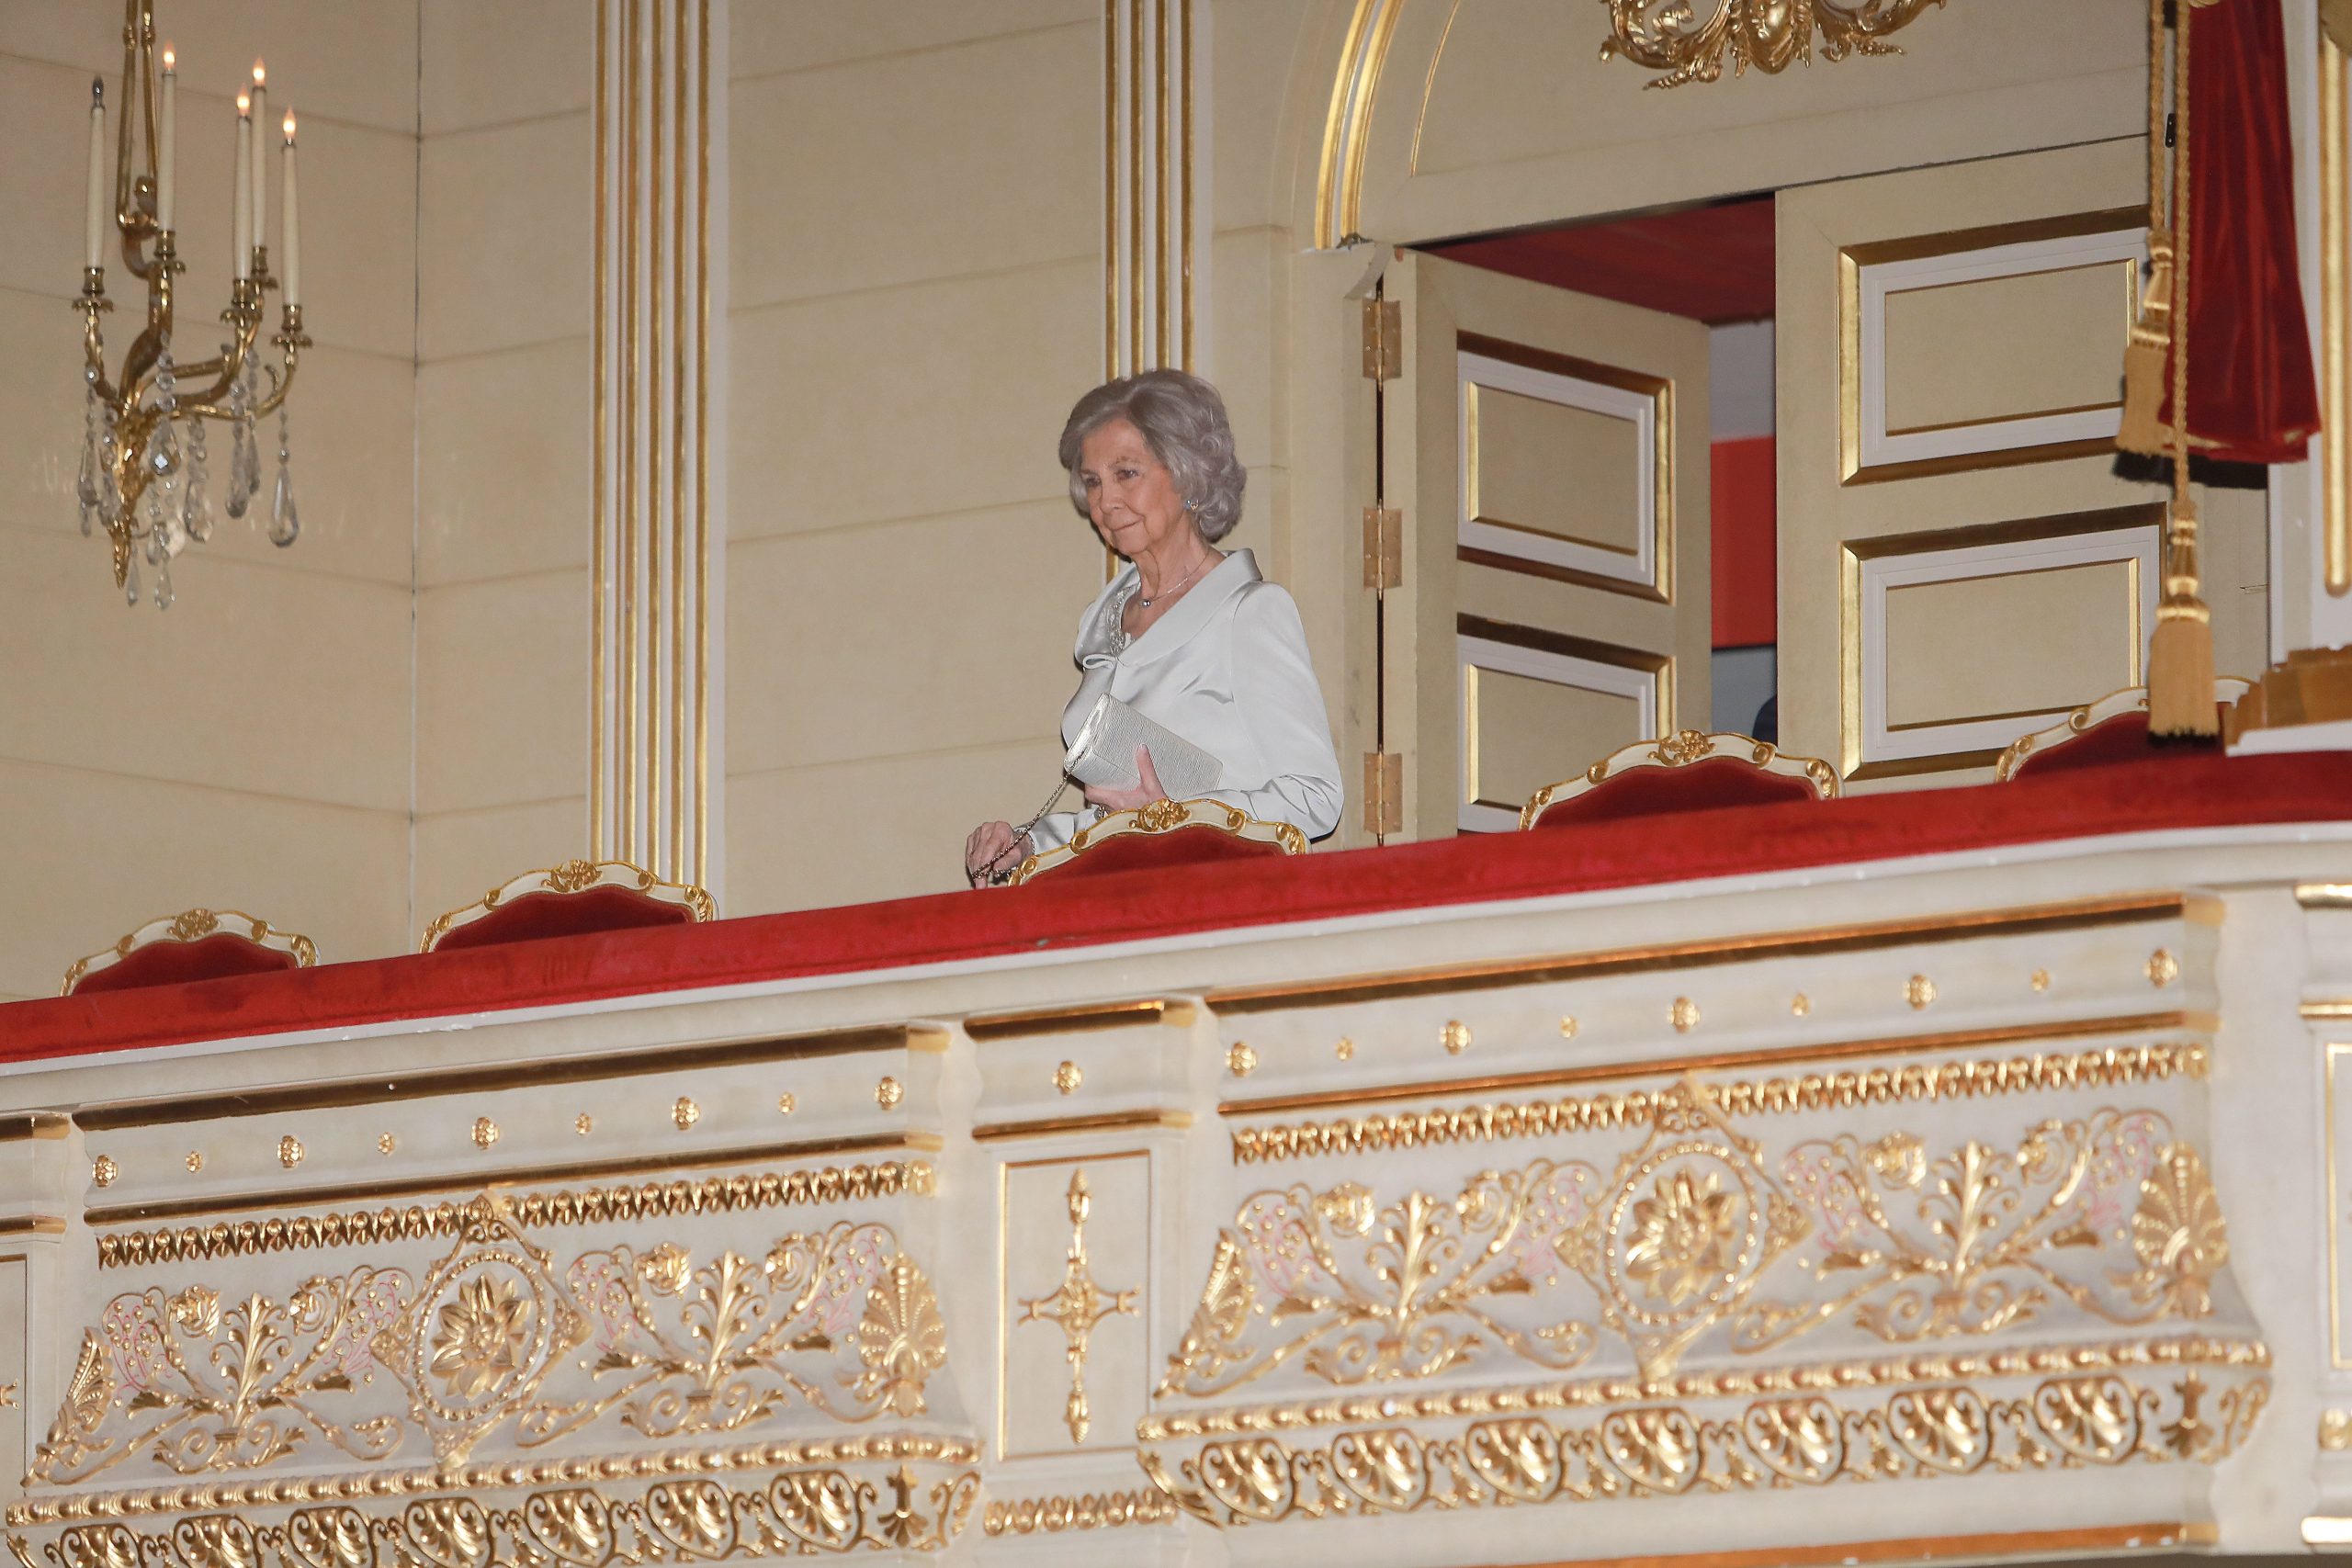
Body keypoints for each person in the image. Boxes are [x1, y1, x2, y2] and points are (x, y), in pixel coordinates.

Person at [964, 370, 1343, 886]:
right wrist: (1030, 845)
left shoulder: (1250, 613)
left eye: (1127, 474)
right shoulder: (1105, 632)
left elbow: (1315, 798)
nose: (1105, 502)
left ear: (1187, 475)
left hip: (1229, 904)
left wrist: (1179, 819)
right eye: (1093, 481)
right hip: (1129, 905)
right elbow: (1118, 817)